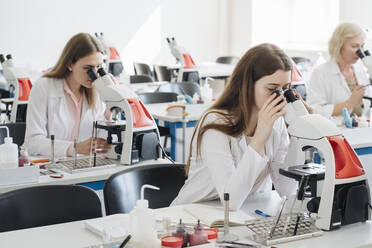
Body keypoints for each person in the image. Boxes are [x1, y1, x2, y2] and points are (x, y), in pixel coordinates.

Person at [171, 44, 297, 210]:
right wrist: (259, 139)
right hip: (194, 215)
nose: (280, 97)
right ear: (248, 85)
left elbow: (287, 190)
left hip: (245, 213)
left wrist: (299, 135)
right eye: (273, 89)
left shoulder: (277, 123)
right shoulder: (215, 123)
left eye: (286, 89)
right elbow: (231, 201)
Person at [24, 33, 111, 157]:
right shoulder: (44, 87)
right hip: (51, 167)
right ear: (70, 64)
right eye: (88, 68)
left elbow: (102, 141)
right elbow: (32, 143)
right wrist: (75, 148)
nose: (95, 74)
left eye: (99, 67)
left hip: (85, 166)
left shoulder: (97, 91)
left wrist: (111, 105)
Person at [307, 23, 372, 118]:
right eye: (354, 46)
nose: (360, 52)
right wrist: (349, 103)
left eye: (362, 46)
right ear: (339, 45)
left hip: (360, 128)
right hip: (335, 129)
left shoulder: (360, 70)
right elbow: (313, 111)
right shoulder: (320, 73)